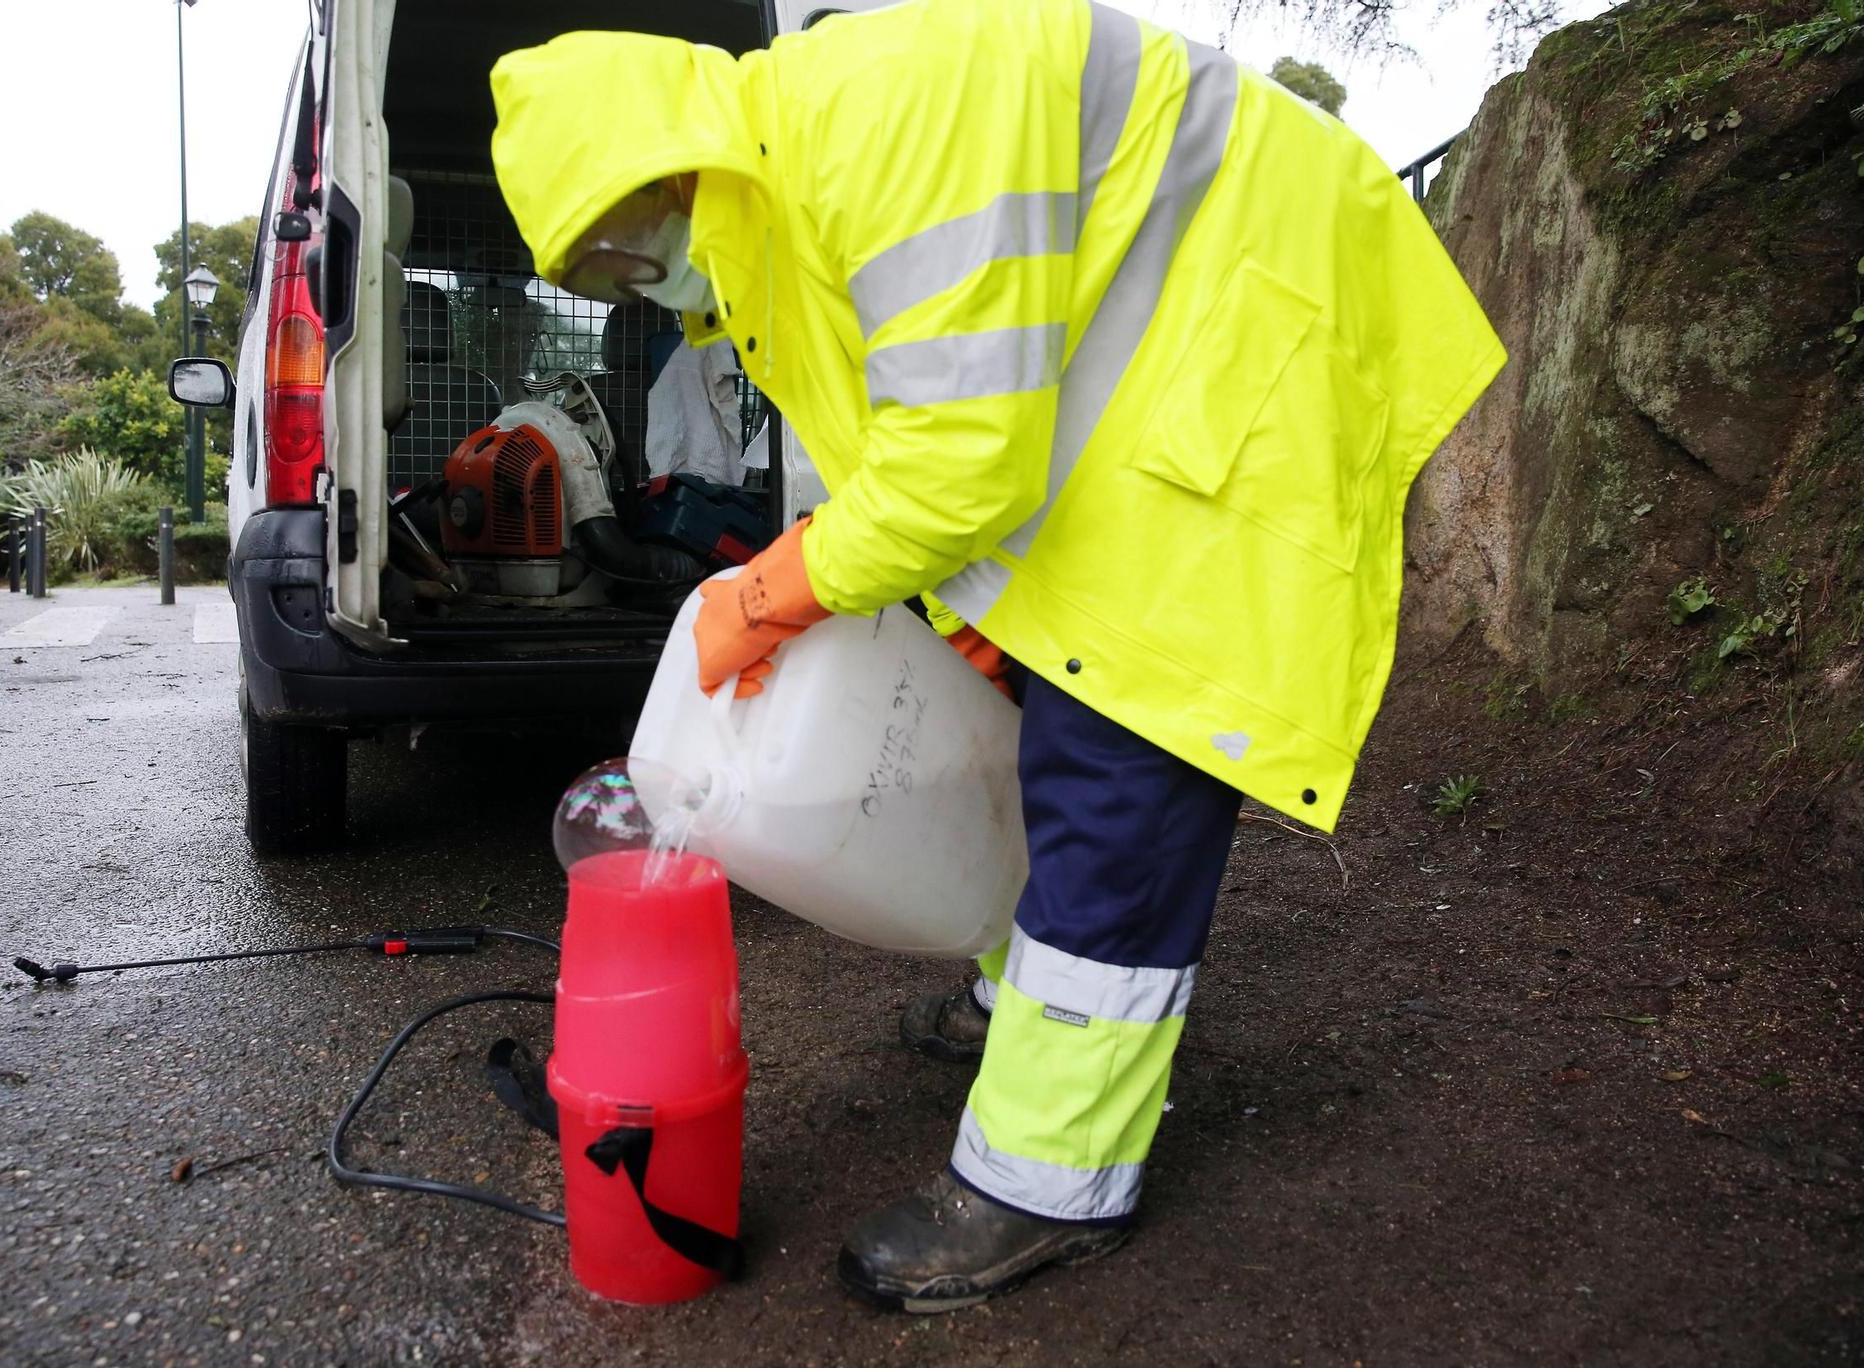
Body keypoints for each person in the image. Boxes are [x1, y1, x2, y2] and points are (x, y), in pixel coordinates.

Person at [492, 0, 1502, 1311]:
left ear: (682, 152)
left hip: (1261, 323)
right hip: (1147, 361)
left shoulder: (874, 122)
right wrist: (971, 627)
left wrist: (775, 589)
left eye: (631, 235)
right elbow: (906, 439)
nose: (638, 272)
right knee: (1030, 697)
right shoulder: (771, 220)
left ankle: (1045, 1181)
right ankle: (1020, 997)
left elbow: (960, 461)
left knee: (1119, 736)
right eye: (602, 271)